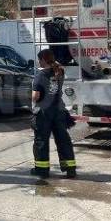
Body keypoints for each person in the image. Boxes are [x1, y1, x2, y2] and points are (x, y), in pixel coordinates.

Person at [30, 49, 77, 179]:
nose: (39, 62)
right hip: (59, 110)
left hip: (44, 113)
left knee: (41, 141)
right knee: (63, 140)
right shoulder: (60, 72)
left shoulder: (40, 75)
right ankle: (70, 168)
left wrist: (32, 98)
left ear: (43, 60)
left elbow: (36, 96)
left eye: (39, 59)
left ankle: (42, 170)